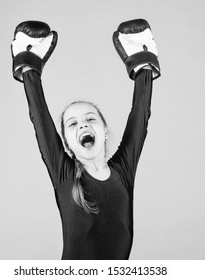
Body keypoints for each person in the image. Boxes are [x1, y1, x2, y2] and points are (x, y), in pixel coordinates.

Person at [11, 19, 160, 260]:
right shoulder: (65, 176)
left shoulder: (123, 171)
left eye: (91, 119)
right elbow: (39, 118)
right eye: (72, 124)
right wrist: (29, 68)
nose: (83, 124)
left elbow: (140, 116)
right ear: (67, 144)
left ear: (105, 131)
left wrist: (143, 64)